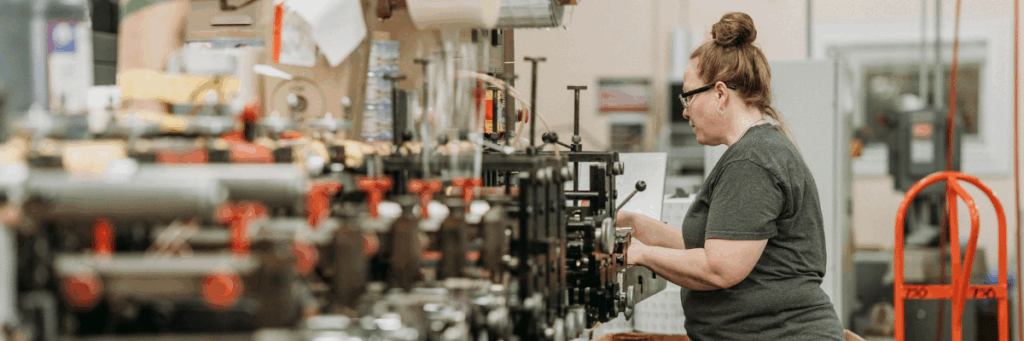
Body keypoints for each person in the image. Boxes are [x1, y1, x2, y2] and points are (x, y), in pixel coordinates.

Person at [616, 12, 844, 340]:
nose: (685, 110)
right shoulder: (757, 150)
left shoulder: (752, 161)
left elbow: (719, 268)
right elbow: (714, 245)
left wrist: (637, 253)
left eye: (688, 96)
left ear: (721, 94)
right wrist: (636, 226)